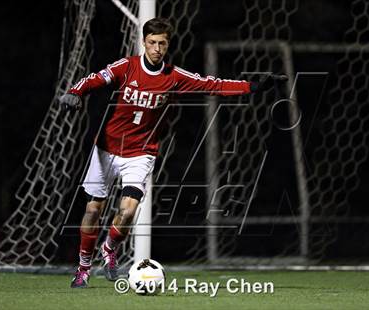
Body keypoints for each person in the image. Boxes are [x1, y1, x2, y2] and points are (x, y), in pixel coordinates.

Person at [60, 17, 286, 288]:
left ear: (168, 45)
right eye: (152, 43)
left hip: (141, 152)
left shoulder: (174, 76)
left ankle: (109, 249)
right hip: (107, 148)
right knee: (93, 210)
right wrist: (76, 92)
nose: (157, 48)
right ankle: (83, 268)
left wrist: (252, 86)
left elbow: (211, 85)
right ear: (144, 42)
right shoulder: (127, 67)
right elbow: (96, 78)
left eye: (162, 44)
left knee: (128, 210)